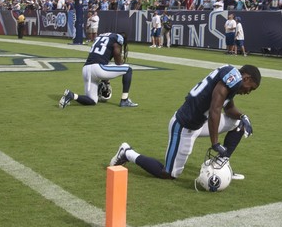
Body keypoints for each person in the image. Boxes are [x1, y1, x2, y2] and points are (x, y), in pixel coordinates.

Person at [110, 64, 261, 180]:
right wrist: (215, 143)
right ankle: (127, 152)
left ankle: (220, 165)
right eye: (251, 88)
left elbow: (228, 109)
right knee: (169, 174)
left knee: (239, 124)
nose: (248, 92)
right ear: (246, 78)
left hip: (201, 122)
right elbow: (215, 109)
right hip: (184, 125)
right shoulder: (233, 79)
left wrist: (243, 116)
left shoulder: (231, 78)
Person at [58, 32, 137, 108]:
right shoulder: (118, 38)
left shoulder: (102, 36)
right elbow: (117, 60)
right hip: (98, 68)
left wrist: (106, 80)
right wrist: (121, 61)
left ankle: (72, 95)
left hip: (86, 69)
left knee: (92, 100)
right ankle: (124, 100)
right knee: (128, 70)